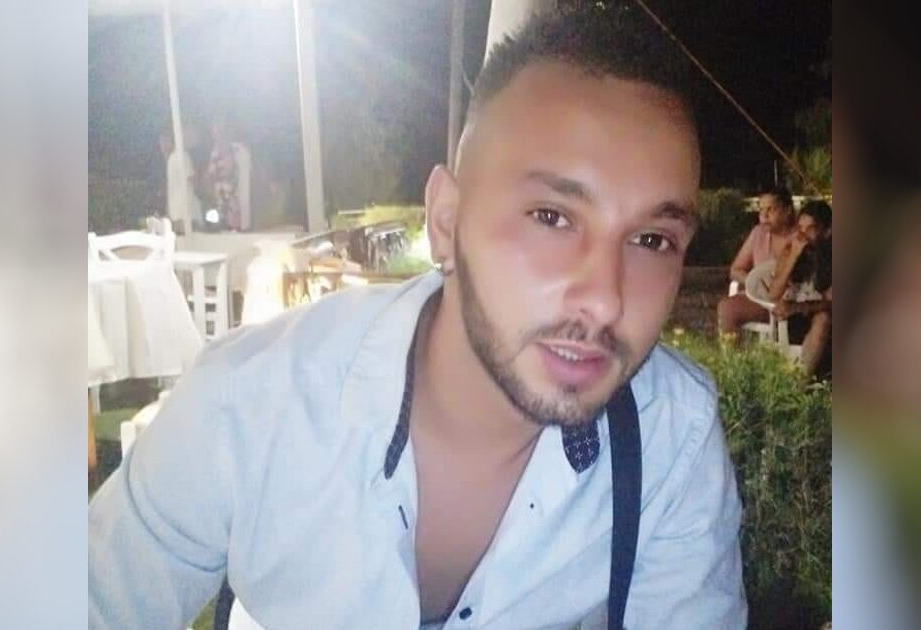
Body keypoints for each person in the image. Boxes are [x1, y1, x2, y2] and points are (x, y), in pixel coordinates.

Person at [89, 5, 745, 629]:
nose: (605, 299)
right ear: (446, 221)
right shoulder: (252, 406)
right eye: (552, 217)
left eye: (652, 240)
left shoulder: (668, 438)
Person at [716, 186, 798, 336]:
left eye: (771, 210)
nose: (764, 216)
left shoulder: (800, 237)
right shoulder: (758, 233)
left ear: (787, 210)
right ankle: (731, 351)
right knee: (727, 308)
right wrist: (756, 282)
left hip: (794, 302)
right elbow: (736, 270)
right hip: (763, 301)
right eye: (761, 210)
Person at [767, 200, 833, 376]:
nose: (803, 235)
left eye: (810, 229)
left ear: (827, 231)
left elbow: (831, 302)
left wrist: (799, 307)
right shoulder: (790, 251)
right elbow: (773, 293)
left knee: (823, 318)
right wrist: (794, 256)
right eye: (800, 228)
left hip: (821, 318)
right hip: (791, 319)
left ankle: (801, 383)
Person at [206, 117, 252, 231]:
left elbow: (235, 173)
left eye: (220, 132)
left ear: (227, 133)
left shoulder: (240, 151)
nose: (217, 137)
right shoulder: (215, 153)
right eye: (215, 133)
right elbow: (211, 176)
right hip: (222, 207)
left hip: (238, 208)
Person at [160, 128, 202, 233]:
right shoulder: (180, 156)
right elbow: (194, 181)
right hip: (184, 213)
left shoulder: (176, 157)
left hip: (180, 213)